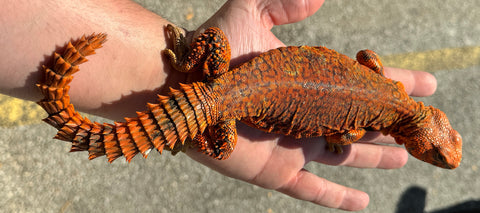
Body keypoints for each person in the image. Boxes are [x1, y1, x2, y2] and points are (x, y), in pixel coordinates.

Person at [0, 0, 437, 210]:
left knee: (213, 45)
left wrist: (184, 68)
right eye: (436, 149)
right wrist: (340, 141)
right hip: (220, 110)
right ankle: (186, 134)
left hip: (220, 78)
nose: (439, 155)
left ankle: (186, 73)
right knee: (224, 146)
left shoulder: (382, 80)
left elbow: (367, 58)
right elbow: (341, 135)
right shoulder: (357, 128)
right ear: (418, 134)